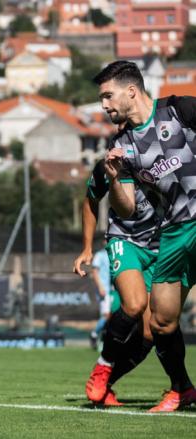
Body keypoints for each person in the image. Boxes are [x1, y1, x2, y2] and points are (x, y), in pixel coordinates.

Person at [97, 60, 196, 412]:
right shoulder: (121, 145)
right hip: (173, 232)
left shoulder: (179, 110)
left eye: (108, 96)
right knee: (160, 321)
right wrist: (112, 177)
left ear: (131, 91)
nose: (104, 105)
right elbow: (123, 210)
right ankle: (182, 389)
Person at [74, 158, 161, 406]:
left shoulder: (164, 153)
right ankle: (102, 365)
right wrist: (87, 248)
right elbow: (91, 200)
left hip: (160, 247)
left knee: (149, 333)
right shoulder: (107, 165)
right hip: (125, 240)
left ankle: (106, 384)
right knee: (134, 305)